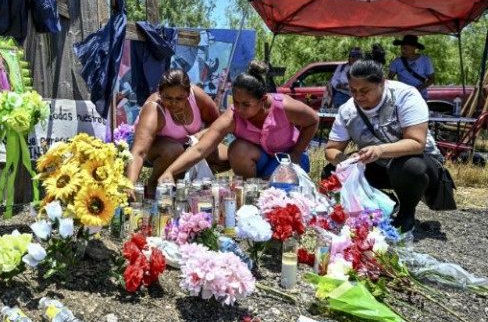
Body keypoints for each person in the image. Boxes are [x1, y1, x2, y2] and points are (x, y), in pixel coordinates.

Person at [324, 60, 442, 231]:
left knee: (409, 167)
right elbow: (331, 149)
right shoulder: (347, 110)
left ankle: (406, 214)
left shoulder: (405, 96)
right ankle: (384, 202)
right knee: (332, 172)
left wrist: (379, 150)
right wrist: (347, 160)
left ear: (382, 83)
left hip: (420, 166)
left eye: (365, 91)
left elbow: (416, 143)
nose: (358, 96)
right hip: (380, 165)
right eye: (353, 90)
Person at [158, 61, 319, 183]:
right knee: (237, 148)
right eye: (236, 102)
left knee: (277, 193)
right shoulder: (233, 115)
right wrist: (170, 172)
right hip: (259, 160)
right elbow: (201, 149)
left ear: (262, 100)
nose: (239, 109)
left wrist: (297, 152)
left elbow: (312, 120)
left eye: (246, 104)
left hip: (288, 159)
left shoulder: (284, 106)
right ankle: (251, 191)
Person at [127, 68, 226, 197]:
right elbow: (140, 151)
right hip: (157, 150)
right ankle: (153, 186)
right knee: (174, 149)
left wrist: (201, 135)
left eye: (179, 98)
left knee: (226, 157)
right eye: (168, 98)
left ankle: (190, 179)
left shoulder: (197, 96)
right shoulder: (154, 109)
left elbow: (217, 124)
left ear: (188, 94)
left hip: (190, 145)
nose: (173, 103)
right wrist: (129, 185)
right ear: (159, 92)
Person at [387, 35, 434, 100]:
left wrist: (418, 89)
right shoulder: (396, 62)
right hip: (402, 97)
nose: (402, 51)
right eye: (402, 48)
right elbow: (389, 79)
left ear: (414, 48)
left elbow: (431, 79)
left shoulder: (425, 60)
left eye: (405, 48)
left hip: (420, 97)